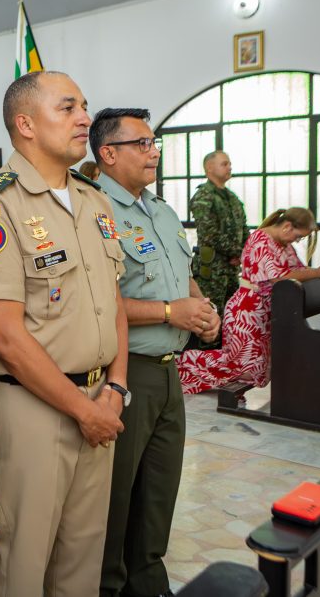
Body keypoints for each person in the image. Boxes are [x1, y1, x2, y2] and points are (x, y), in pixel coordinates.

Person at [0, 71, 127, 597]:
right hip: (35, 409)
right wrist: (83, 411)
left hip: (102, 399)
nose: (85, 118)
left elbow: (114, 304)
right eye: (68, 108)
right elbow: (4, 334)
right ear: (25, 124)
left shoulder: (93, 200)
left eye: (84, 106)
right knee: (27, 559)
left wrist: (116, 390)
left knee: (84, 554)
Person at [90, 108, 220, 597]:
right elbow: (99, 303)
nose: (153, 152)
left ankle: (147, 581)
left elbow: (179, 273)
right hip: (127, 371)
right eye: (141, 143)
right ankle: (108, 585)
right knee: (116, 495)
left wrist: (202, 308)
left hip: (170, 373)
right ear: (108, 153)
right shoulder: (94, 210)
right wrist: (171, 311)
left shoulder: (161, 209)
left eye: (153, 143)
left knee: (159, 491)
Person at [178, 207, 320, 394]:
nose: (297, 241)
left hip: (263, 314)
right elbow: (278, 277)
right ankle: (181, 366)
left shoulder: (283, 245)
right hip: (246, 313)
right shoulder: (260, 240)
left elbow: (299, 271)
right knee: (238, 365)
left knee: (255, 370)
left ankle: (189, 375)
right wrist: (317, 272)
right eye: (298, 237)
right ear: (287, 227)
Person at [189, 150, 248, 345]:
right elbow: (209, 233)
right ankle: (204, 367)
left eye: (229, 163)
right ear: (209, 168)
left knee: (232, 317)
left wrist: (244, 253)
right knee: (210, 319)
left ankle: (226, 364)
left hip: (231, 269)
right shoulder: (204, 196)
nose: (229, 167)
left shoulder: (232, 198)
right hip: (212, 271)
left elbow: (243, 229)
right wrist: (236, 253)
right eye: (224, 163)